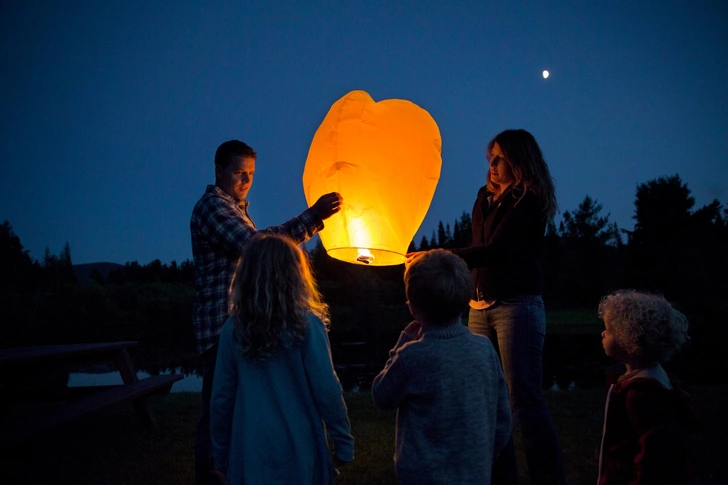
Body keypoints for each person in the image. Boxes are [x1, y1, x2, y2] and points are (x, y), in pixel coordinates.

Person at [190, 140, 342, 484]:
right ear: (219, 171)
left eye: (251, 173)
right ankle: (214, 473)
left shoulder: (235, 208)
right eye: (238, 172)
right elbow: (256, 246)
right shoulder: (213, 207)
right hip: (219, 328)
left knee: (241, 413)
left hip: (238, 327)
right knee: (218, 410)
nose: (246, 180)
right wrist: (313, 216)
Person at [442, 129, 564, 484]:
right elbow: (480, 247)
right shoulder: (485, 197)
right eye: (490, 158)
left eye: (499, 158)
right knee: (485, 395)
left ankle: (548, 477)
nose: (492, 165)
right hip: (478, 305)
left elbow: (498, 249)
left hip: (517, 305)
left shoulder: (529, 200)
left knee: (523, 399)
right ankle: (497, 475)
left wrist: (442, 256)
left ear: (518, 161)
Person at [210, 233, 354, 484]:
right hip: (303, 451)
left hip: (250, 453)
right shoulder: (308, 325)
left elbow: (221, 398)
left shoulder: (233, 329)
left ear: (246, 277)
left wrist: (220, 455)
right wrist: (343, 442)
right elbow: (327, 390)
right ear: (296, 275)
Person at [372, 249, 513, 484]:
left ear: (413, 307)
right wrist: (487, 455)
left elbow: (381, 395)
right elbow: (502, 418)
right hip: (476, 475)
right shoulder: (484, 349)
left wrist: (402, 343)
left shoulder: (412, 356)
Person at [597, 290, 699, 485]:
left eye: (609, 329)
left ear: (630, 337)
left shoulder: (642, 393)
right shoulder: (657, 380)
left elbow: (652, 456)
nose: (603, 333)